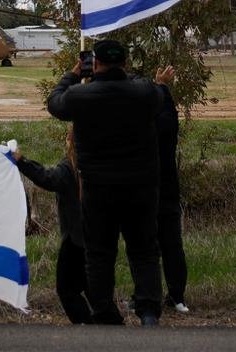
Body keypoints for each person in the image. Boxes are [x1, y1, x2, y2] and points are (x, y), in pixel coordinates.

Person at [46, 39, 163, 326]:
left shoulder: (79, 95)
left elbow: (54, 103)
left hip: (98, 189)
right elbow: (156, 91)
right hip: (141, 186)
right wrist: (124, 75)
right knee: (144, 250)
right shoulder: (144, 93)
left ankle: (104, 311)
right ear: (124, 63)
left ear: (94, 63)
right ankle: (148, 311)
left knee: (99, 253)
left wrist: (73, 75)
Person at [15, 132, 91, 324]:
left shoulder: (68, 168)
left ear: (70, 142)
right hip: (97, 237)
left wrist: (21, 161)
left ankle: (88, 325)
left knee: (66, 289)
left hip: (75, 239)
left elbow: (47, 178)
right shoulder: (96, 164)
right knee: (95, 288)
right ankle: (108, 323)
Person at [153, 67, 189, 314]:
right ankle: (177, 297)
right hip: (168, 192)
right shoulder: (167, 130)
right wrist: (163, 86)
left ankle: (145, 296)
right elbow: (171, 117)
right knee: (172, 246)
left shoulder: (138, 131)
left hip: (143, 192)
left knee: (145, 249)